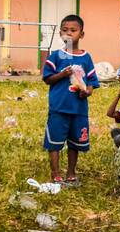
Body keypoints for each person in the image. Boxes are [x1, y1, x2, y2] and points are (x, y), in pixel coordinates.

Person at [42, 14, 98, 186]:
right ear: (60, 33)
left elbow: (92, 82)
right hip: (59, 107)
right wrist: (62, 74)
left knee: (75, 143)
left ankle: (71, 172)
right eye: (65, 30)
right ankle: (55, 173)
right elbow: (47, 78)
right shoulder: (57, 56)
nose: (68, 34)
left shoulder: (86, 58)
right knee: (55, 142)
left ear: (81, 34)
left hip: (78, 109)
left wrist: (86, 92)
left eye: (73, 30)